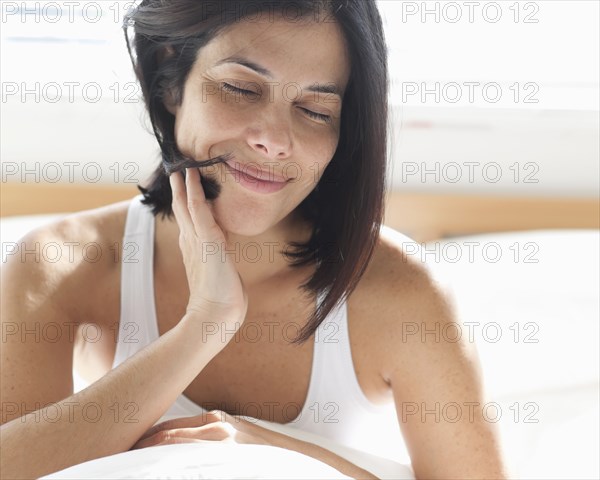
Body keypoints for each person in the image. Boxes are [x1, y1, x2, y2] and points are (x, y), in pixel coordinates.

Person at [0, 1, 508, 478]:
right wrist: (203, 327)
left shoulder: (403, 294)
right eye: (241, 89)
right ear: (171, 81)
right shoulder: (60, 263)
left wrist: (279, 451)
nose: (275, 139)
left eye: (314, 110)